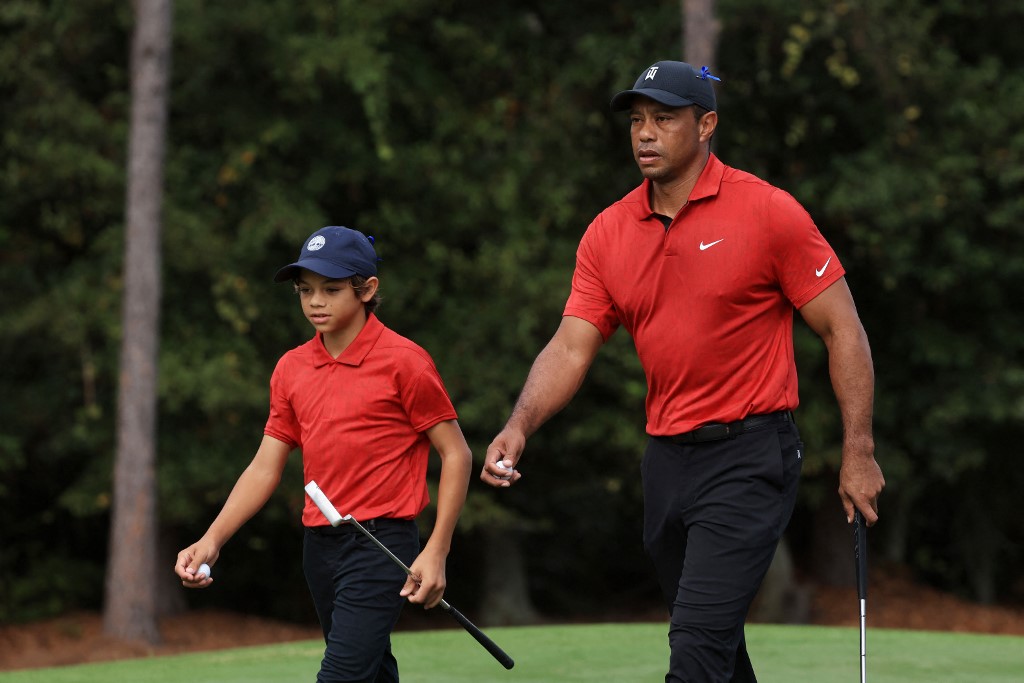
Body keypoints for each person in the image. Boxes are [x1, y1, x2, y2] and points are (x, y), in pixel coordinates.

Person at [480, 61, 885, 682]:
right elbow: (569, 347)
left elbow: (843, 329)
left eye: (663, 119)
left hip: (751, 454)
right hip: (667, 461)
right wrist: (520, 424)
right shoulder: (608, 233)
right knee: (715, 647)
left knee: (694, 648)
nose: (645, 133)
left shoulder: (768, 212)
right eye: (637, 121)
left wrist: (858, 448)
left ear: (706, 126)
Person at [176, 225, 473, 683]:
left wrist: (437, 550)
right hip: (320, 546)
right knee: (370, 672)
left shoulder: (405, 362)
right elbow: (264, 467)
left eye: (331, 290)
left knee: (342, 676)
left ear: (367, 289)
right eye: (305, 290)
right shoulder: (291, 368)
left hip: (382, 543)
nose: (316, 302)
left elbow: (456, 455)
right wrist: (212, 539)